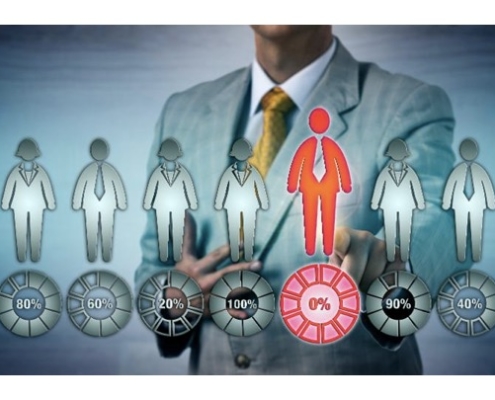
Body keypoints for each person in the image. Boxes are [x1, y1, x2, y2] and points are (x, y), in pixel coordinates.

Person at [135, 25, 468, 374]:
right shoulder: (182, 112)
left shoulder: (407, 102)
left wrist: (398, 268)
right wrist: (170, 301)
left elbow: (436, 218)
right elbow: (154, 266)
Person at [143, 137, 198, 262]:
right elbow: (152, 188)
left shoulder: (183, 173)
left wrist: (193, 203)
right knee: (163, 233)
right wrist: (147, 203)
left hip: (179, 208)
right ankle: (164, 256)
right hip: (162, 208)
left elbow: (188, 188)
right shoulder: (157, 173)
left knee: (179, 232)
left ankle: (178, 256)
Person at [371, 138, 425, 262]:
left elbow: (416, 187)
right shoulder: (385, 173)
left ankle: (403, 257)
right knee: (390, 231)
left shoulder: (410, 173)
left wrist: (420, 202)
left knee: (405, 231)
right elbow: (380, 188)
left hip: (406, 206)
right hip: (389, 206)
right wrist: (375, 202)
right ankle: (390, 257)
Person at [214, 138, 269, 262]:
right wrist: (219, 202)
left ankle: (247, 254)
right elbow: (223, 187)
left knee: (249, 229)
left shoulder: (253, 172)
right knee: (234, 230)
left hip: (250, 207)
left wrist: (264, 202)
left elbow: (259, 187)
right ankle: (235, 255)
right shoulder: (229, 173)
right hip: (233, 207)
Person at [73, 138, 127, 262]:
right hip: (90, 204)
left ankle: (106, 254)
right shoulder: (87, 171)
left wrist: (122, 203)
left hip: (108, 204)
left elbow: (117, 186)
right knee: (91, 230)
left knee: (107, 231)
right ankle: (91, 255)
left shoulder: (110, 171)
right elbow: (81, 186)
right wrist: (76, 203)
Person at [2, 138, 56, 262]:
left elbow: (46, 187)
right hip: (18, 206)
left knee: (36, 230)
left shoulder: (41, 172)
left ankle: (35, 255)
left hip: (37, 206)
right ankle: (21, 256)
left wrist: (51, 203)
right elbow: (9, 188)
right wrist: (5, 203)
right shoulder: (14, 172)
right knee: (20, 230)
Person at [442, 138, 495, 261]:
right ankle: (461, 255)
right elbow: (451, 186)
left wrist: (491, 202)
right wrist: (446, 202)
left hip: (477, 204)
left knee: (476, 230)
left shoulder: (480, 171)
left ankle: (475, 254)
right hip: (460, 204)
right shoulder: (457, 171)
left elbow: (486, 185)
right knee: (460, 230)